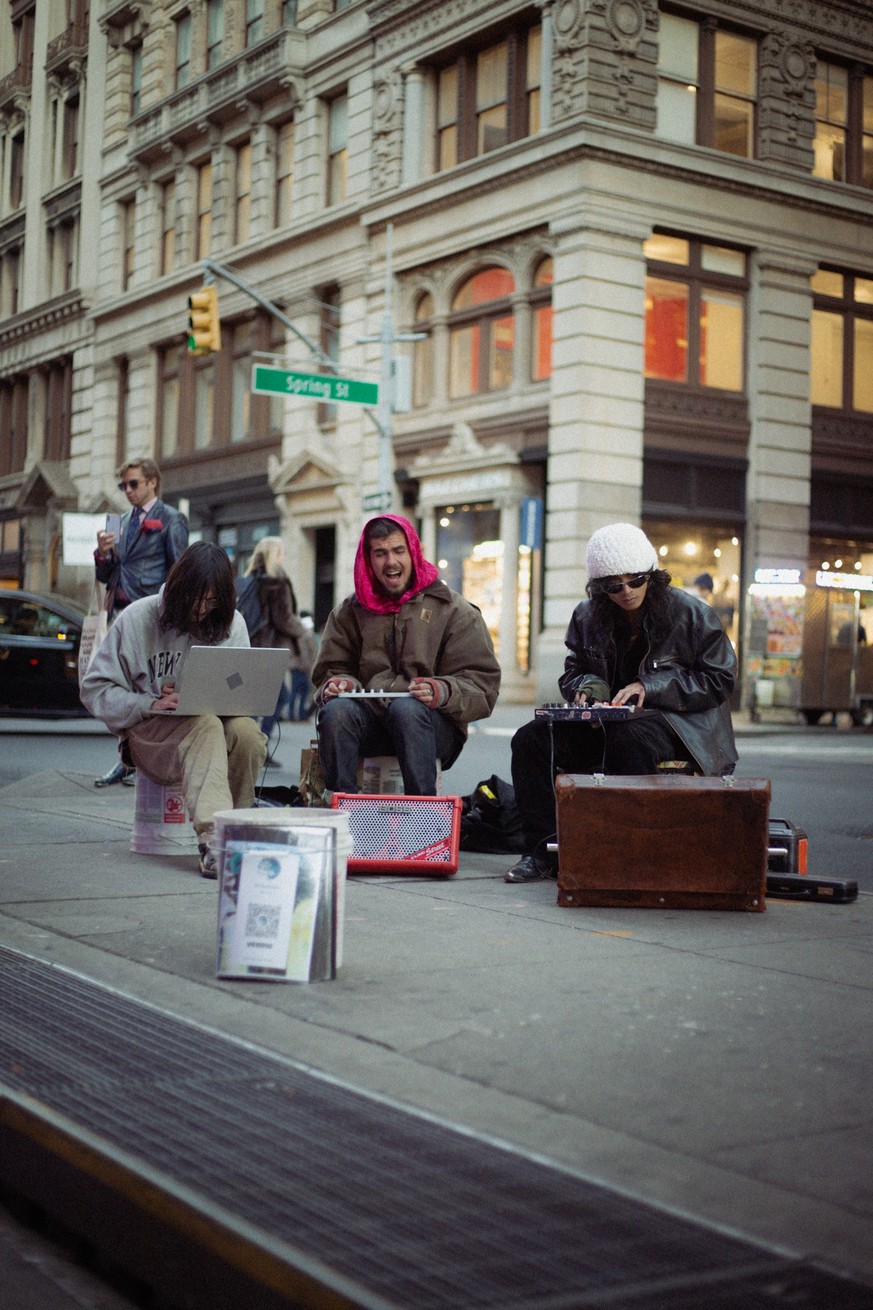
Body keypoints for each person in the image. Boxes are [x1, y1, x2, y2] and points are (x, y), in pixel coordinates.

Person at [504, 522, 738, 882]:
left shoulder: (692, 614)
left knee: (628, 739)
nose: (626, 591)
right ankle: (543, 852)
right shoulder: (586, 615)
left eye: (636, 580)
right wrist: (588, 684)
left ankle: (625, 851)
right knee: (531, 739)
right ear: (599, 588)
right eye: (613, 586)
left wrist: (652, 687)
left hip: (679, 727)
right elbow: (573, 670)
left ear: (652, 576)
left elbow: (720, 678)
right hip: (605, 722)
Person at [80, 541, 266, 879]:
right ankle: (214, 843)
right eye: (195, 599)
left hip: (206, 732)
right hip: (149, 738)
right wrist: (149, 702)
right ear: (179, 588)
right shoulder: (139, 617)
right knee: (205, 724)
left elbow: (238, 695)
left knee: (247, 734)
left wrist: (212, 697)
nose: (201, 609)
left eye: (211, 601)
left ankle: (237, 833)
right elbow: (93, 689)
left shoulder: (231, 623)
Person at [312, 514, 501, 796]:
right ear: (368, 559)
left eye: (399, 550)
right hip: (369, 724)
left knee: (407, 710)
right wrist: (340, 683)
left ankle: (422, 818)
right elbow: (330, 669)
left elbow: (483, 686)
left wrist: (443, 690)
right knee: (336, 712)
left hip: (430, 728)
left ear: (413, 552)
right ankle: (342, 815)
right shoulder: (349, 612)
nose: (391, 562)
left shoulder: (454, 610)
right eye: (380, 553)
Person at [93, 458, 189, 787]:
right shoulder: (120, 522)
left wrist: (174, 616)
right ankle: (126, 758)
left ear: (152, 483)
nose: (128, 491)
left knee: (148, 689)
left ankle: (144, 759)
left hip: (151, 615)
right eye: (124, 486)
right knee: (123, 689)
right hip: (121, 612)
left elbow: (180, 570)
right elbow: (106, 575)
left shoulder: (171, 518)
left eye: (134, 484)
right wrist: (103, 555)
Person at [241, 536, 310, 765]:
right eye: (282, 552)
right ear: (275, 554)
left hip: (250, 646)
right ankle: (257, 746)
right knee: (279, 696)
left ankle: (250, 745)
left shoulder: (249, 580)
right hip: (271, 649)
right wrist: (302, 630)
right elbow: (283, 619)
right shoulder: (277, 581)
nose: (284, 556)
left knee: (255, 698)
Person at [289, 610, 318, 721]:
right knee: (297, 691)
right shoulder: (302, 633)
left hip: (300, 666)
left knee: (300, 691)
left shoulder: (303, 632)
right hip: (300, 667)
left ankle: (299, 715)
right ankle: (296, 716)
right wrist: (308, 666)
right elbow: (304, 652)